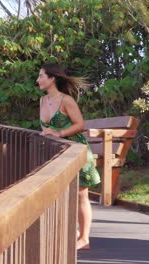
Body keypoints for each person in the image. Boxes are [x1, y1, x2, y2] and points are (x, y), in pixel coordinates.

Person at [37, 63, 100, 250]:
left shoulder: (66, 100)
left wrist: (59, 134)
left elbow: (80, 124)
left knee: (81, 195)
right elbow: (45, 128)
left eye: (41, 76)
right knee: (60, 195)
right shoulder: (42, 101)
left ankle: (84, 238)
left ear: (52, 78)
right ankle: (68, 233)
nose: (37, 80)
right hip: (58, 154)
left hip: (77, 152)